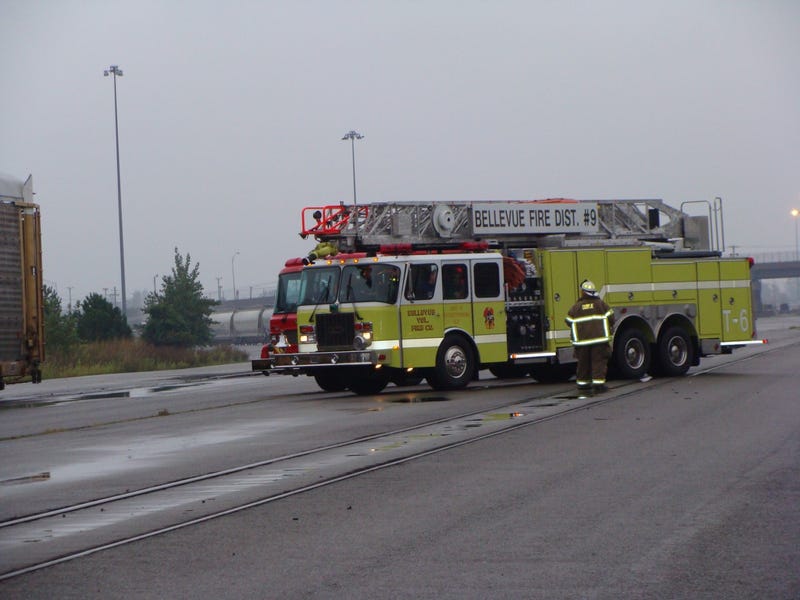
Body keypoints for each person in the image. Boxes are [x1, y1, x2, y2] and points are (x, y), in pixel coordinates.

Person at [565, 280, 615, 394]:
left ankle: (583, 385)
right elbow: (612, 318)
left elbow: (568, 321)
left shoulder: (576, 307)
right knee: (598, 362)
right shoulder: (601, 305)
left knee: (583, 363)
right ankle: (598, 386)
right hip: (599, 341)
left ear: (582, 292)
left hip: (582, 342)